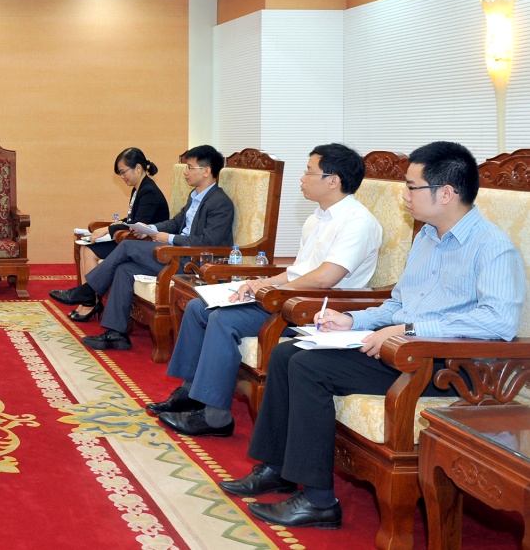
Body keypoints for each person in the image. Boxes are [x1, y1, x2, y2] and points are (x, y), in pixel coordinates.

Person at [220, 141, 524, 529]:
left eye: (412, 187)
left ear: (446, 193)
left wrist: (409, 330)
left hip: (448, 367)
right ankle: (276, 469)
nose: (404, 195)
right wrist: (353, 321)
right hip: (402, 350)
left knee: (309, 367)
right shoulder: (427, 237)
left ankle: (318, 502)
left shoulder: (492, 247)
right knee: (286, 354)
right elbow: (398, 304)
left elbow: (498, 322)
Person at [151, 143, 383, 438]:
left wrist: (270, 290)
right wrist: (262, 283)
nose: (302, 178)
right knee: (199, 307)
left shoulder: (358, 222)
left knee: (222, 319)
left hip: (318, 309)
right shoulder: (317, 217)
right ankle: (191, 391)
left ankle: (215, 417)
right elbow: (299, 270)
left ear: (333, 180)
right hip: (292, 295)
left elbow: (325, 278)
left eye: (309, 172)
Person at [51, 144, 234, 350]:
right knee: (124, 269)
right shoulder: (195, 196)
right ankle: (116, 333)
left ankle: (87, 291)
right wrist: (150, 229)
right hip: (176, 254)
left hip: (193, 262)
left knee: (127, 247)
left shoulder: (220, 203)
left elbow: (208, 242)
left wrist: (169, 238)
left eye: (190, 167)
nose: (185, 172)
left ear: (207, 171)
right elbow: (175, 222)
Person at [71, 147, 170, 322]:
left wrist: (108, 230)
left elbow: (138, 226)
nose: (122, 177)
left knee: (91, 251)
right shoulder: (138, 189)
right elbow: (132, 219)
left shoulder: (149, 192)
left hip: (145, 244)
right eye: (120, 173)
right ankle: (89, 301)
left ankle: (89, 303)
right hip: (133, 240)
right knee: (86, 248)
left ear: (138, 168)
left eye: (123, 172)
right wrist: (113, 225)